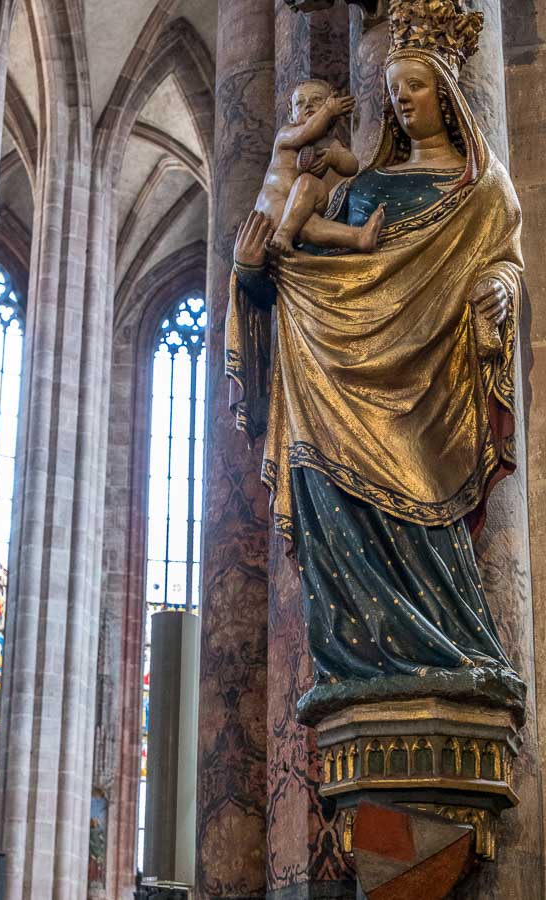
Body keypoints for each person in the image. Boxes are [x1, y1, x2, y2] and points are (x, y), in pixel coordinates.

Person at [227, 1, 526, 723]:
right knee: (339, 511)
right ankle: (355, 665)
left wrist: (498, 288)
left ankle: (455, 651)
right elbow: (301, 266)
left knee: (430, 521)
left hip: (432, 397)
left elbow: (506, 266)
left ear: (447, 98)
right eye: (393, 90)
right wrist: (248, 274)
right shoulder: (358, 191)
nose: (401, 99)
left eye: (415, 87)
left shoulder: (482, 191)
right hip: (335, 389)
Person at [255, 79, 385, 256]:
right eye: (300, 103)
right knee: (301, 225)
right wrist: (328, 110)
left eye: (316, 100)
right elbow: (307, 132)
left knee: (308, 185)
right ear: (291, 115)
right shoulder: (286, 134)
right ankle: (285, 235)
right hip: (273, 199)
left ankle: (361, 237)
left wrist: (333, 158)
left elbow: (351, 166)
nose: (308, 105)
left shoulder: (329, 144)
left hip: (306, 203)